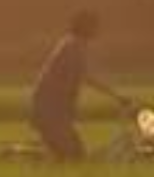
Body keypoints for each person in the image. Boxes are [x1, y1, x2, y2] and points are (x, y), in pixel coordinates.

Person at [30, 9, 131, 162]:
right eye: (95, 26)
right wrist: (116, 95)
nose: (98, 30)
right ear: (86, 27)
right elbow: (85, 76)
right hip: (49, 111)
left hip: (56, 111)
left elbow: (83, 75)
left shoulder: (75, 45)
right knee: (73, 156)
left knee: (76, 156)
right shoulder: (72, 46)